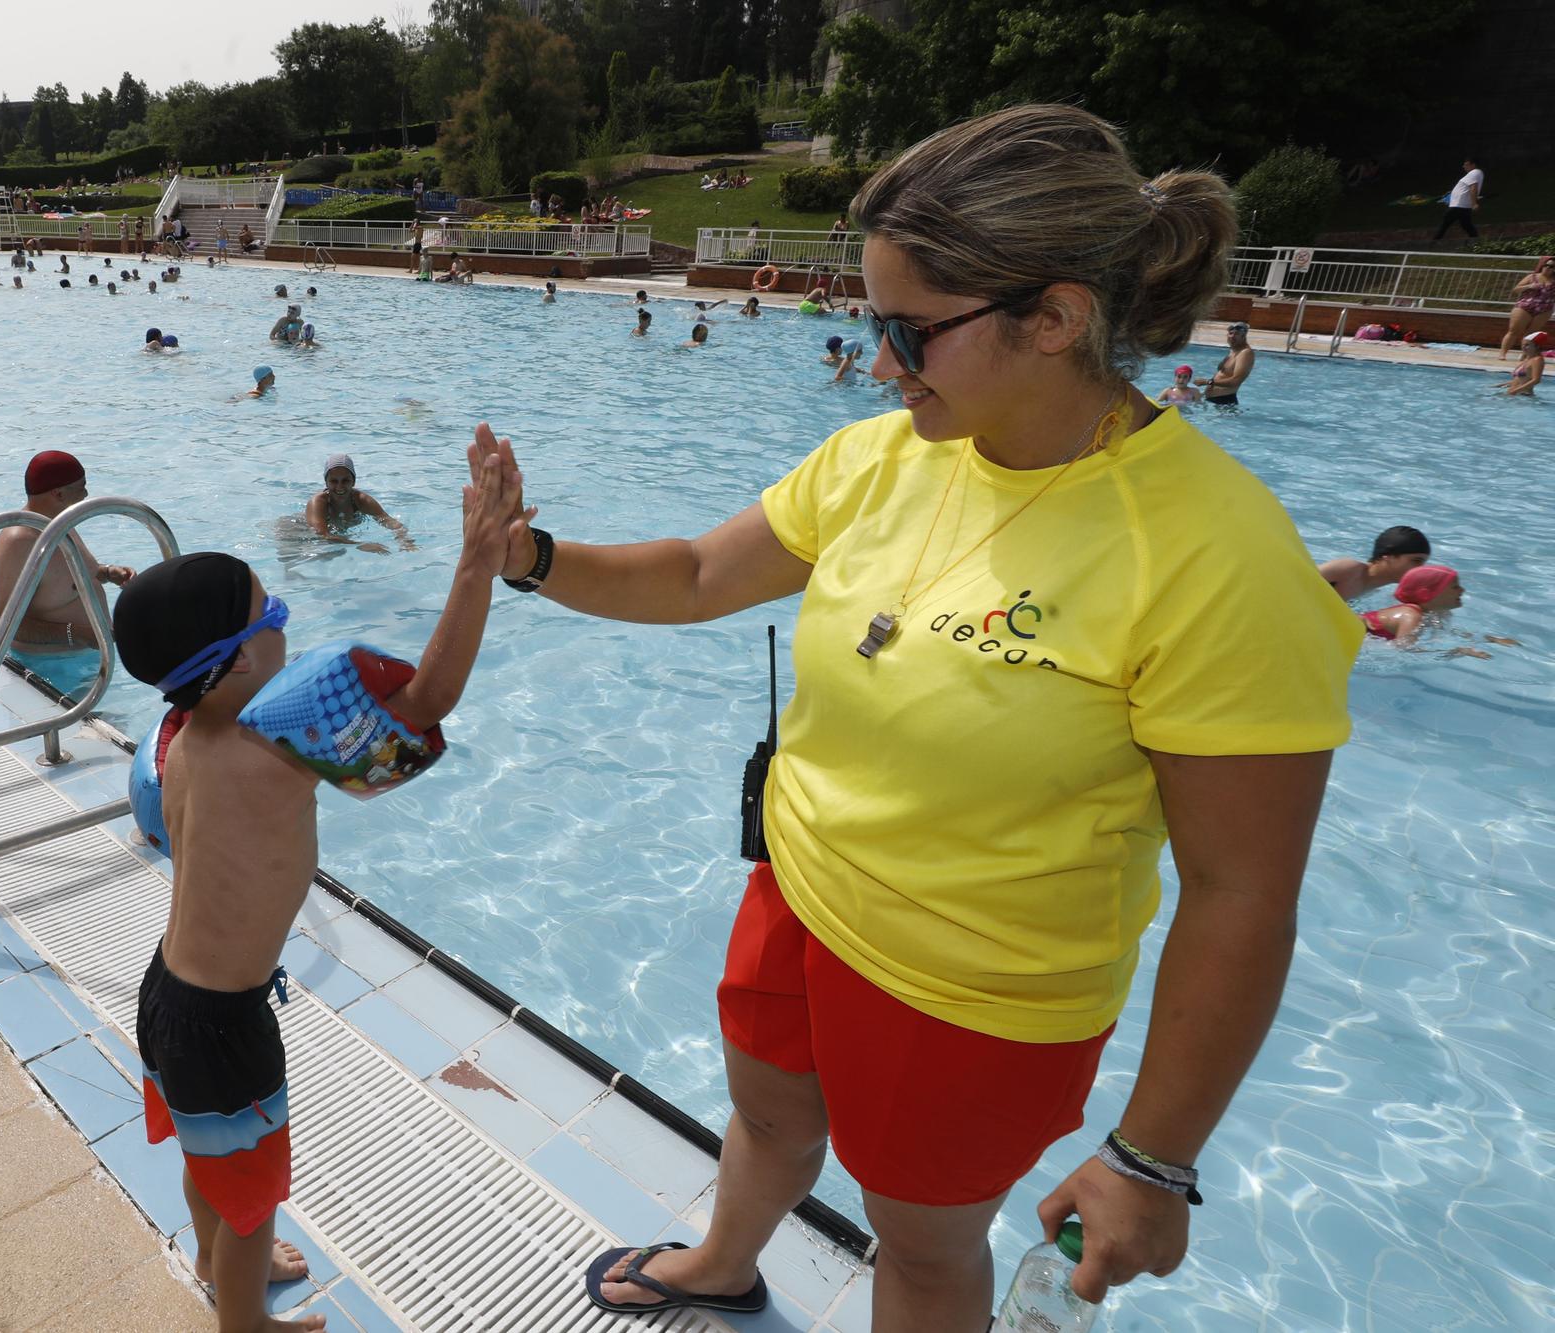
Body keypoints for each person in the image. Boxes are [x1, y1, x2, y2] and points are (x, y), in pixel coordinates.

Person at [509, 103, 1362, 1330]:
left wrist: (1152, 1156)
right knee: (763, 1113)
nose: (875, 359)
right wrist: (530, 555)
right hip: (796, 890)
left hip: (972, 993)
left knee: (916, 1248)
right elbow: (697, 575)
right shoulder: (881, 456)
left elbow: (1240, 894)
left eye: (905, 330)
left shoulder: (1213, 559)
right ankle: (724, 1259)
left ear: (1054, 319)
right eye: (870, 321)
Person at [105, 446, 512, 1333]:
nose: (284, 623)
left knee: (206, 1154)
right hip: (223, 1021)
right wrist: (476, 560)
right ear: (239, 662)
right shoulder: (270, 744)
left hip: (165, 992)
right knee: (256, 1195)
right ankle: (243, 1316)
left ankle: (215, 1260)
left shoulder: (181, 728)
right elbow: (429, 699)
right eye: (273, 614)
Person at [0, 451, 135, 653]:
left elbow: (67, 580)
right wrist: (76, 634)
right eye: (82, 488)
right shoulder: (18, 542)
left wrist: (108, 572)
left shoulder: (59, 522)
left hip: (84, 657)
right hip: (49, 669)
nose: (86, 495)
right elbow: (2, 625)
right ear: (58, 494)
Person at [306, 454, 415, 553]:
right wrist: (360, 545)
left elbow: (390, 521)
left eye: (345, 481)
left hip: (333, 538)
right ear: (326, 482)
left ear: (353, 481)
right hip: (299, 531)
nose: (339, 487)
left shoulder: (361, 500)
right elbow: (321, 535)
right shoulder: (318, 502)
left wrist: (404, 540)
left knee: (336, 553)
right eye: (334, 481)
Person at [1358, 565, 1465, 646]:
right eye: (1455, 587)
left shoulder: (1437, 613)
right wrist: (1453, 652)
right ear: (1425, 594)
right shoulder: (1411, 616)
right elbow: (1404, 651)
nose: (1462, 590)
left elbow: (1445, 631)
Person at [1317, 526, 1431, 600]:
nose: (1420, 568)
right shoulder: (1348, 569)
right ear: (1388, 557)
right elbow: (1300, 580)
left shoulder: (1373, 592)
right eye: (1416, 561)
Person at [1498, 257, 1554, 359]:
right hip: (1525, 306)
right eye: (1547, 265)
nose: (1548, 268)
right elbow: (1516, 290)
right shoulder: (1532, 277)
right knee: (1514, 331)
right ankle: (1503, 353)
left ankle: (1524, 355)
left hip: (1545, 309)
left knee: (1531, 334)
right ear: (1542, 265)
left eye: (1552, 267)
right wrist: (1529, 286)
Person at [1197, 322, 1254, 405]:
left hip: (1224, 402)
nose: (1232, 336)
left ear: (1243, 336)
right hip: (1214, 401)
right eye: (1230, 333)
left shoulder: (1245, 353)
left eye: (1237, 334)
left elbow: (1236, 381)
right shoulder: (1233, 351)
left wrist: (1207, 382)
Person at [1432, 157, 1483, 243]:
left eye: (1466, 164)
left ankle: (1433, 243)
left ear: (1473, 165)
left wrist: (1474, 203)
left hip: (1459, 205)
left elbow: (1473, 187)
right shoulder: (1473, 174)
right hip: (1462, 205)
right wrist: (1450, 197)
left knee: (1446, 222)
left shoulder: (1475, 172)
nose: (1463, 166)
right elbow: (1465, 189)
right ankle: (1477, 243)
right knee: (1467, 225)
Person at [1503, 329, 1547, 395]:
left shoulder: (1537, 360)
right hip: (1516, 395)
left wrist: (1514, 391)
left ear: (1537, 346)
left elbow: (1536, 380)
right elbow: (1520, 380)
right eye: (1522, 344)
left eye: (1527, 345)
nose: (1523, 347)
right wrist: (1499, 385)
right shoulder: (1527, 359)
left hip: (1524, 395)